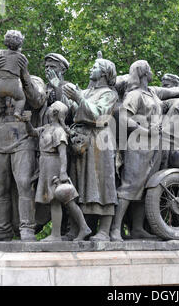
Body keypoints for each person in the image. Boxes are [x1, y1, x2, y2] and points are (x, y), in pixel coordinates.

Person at [109, 61, 179, 242]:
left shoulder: (153, 92)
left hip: (155, 147)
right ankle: (115, 229)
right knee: (130, 187)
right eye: (148, 68)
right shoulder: (134, 95)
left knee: (148, 187)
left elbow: (175, 92)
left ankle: (138, 228)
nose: (151, 71)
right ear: (142, 73)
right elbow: (124, 118)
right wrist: (146, 130)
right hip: (138, 146)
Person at [0, 54, 47, 243]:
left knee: (24, 182)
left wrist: (24, 74)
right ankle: (1, 228)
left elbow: (38, 100)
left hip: (23, 135)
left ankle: (26, 228)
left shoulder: (32, 80)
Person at [62, 57, 119, 241]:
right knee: (81, 185)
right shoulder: (87, 91)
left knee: (103, 185)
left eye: (94, 66)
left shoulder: (109, 94)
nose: (90, 69)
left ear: (103, 73)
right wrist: (61, 88)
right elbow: (73, 112)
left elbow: (99, 115)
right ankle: (78, 228)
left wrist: (78, 97)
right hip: (82, 142)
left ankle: (104, 230)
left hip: (99, 142)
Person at [25, 101, 92, 242]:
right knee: (65, 200)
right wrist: (26, 122)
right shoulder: (47, 128)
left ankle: (56, 235)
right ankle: (84, 227)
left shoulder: (59, 131)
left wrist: (62, 172)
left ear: (55, 113)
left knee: (57, 199)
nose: (47, 110)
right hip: (45, 165)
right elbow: (31, 132)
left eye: (50, 108)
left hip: (53, 165)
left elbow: (62, 154)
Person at [0, 30, 28, 120]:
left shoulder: (0, 53)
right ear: (20, 43)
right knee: (21, 99)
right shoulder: (22, 57)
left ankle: (0, 109)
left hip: (0, 84)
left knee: (0, 96)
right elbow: (25, 66)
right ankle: (17, 112)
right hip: (14, 84)